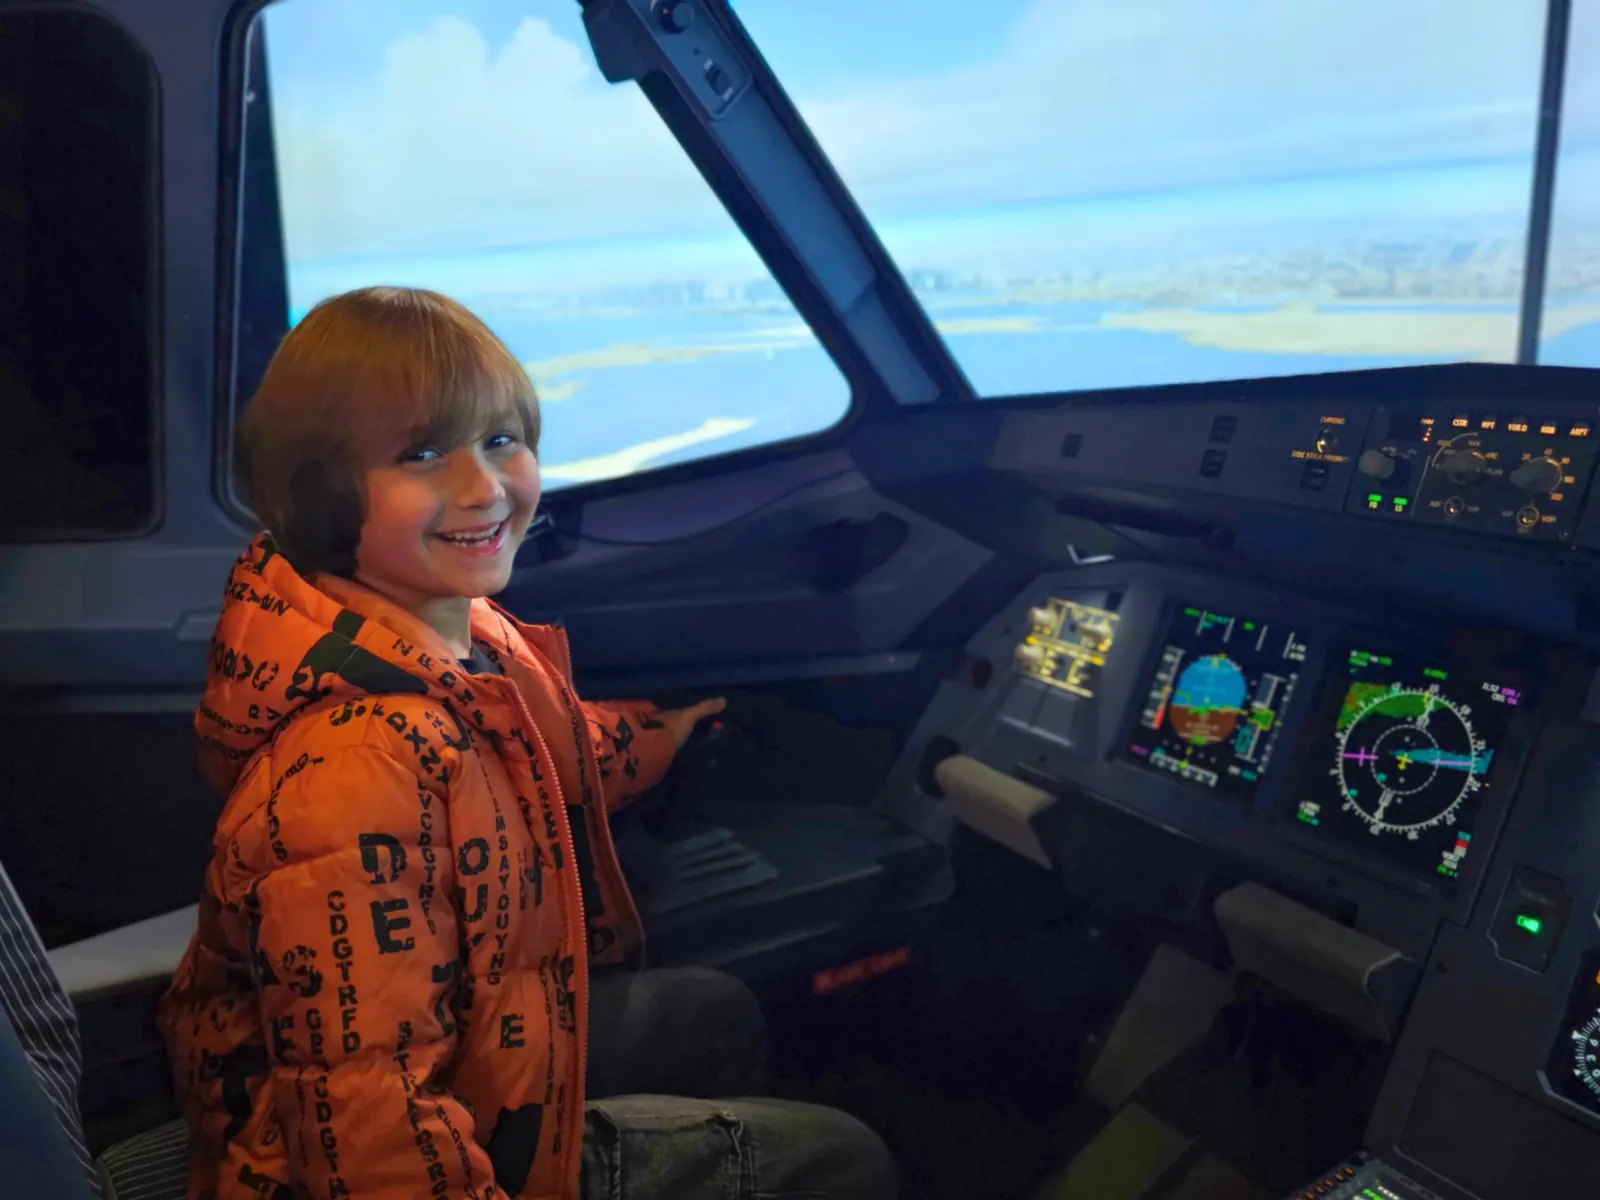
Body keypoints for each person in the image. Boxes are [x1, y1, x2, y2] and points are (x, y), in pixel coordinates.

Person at [159, 286, 896, 1200]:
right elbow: (370, 1131)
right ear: (323, 491)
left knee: (713, 1012)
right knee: (843, 1157)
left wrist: (666, 734)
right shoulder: (356, 770)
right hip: (378, 1155)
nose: (484, 488)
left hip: (473, 1048)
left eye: (501, 439)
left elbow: (554, 748)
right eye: (422, 454)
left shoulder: (452, 636)